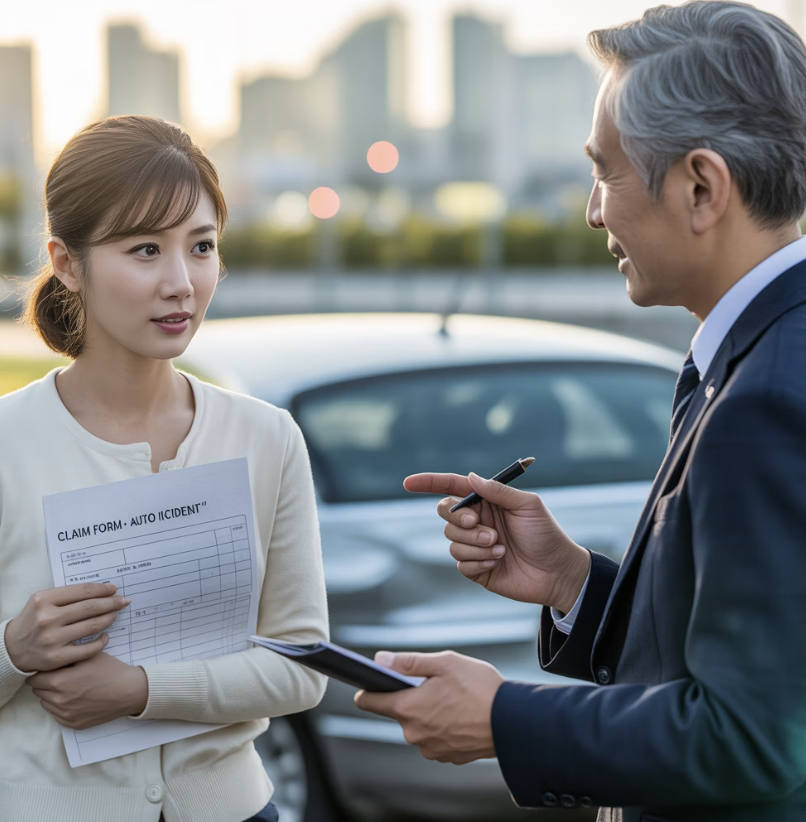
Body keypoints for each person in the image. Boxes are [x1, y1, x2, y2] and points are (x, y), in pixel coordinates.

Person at [355, 2, 806, 820]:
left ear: (702, 187)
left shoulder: (767, 396)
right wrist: (570, 581)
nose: (595, 210)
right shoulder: (759, 354)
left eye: (605, 171)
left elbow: (750, 736)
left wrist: (500, 716)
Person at [0, 116, 328, 822]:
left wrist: (142, 689)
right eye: (145, 249)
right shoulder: (6, 443)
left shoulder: (267, 438)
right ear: (66, 261)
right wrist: (14, 648)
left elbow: (303, 668)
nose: (182, 282)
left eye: (201, 246)